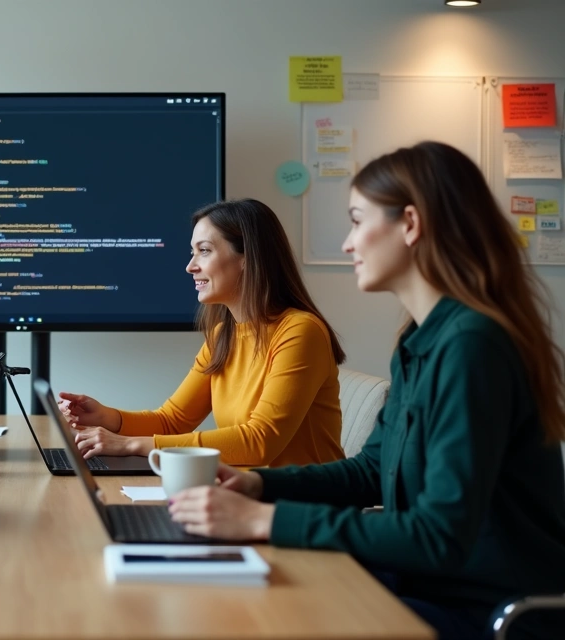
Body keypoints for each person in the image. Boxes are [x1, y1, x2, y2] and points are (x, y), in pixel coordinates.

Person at [168, 142, 565, 640]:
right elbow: (372, 471)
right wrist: (260, 486)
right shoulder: (423, 340)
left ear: (411, 225)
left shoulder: (473, 347)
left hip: (484, 607)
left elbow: (438, 535)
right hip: (430, 584)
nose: (348, 244)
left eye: (357, 221)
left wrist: (266, 521)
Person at [61, 199, 346, 467]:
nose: (190, 266)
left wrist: (131, 445)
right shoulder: (225, 335)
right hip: (246, 495)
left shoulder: (299, 331)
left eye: (205, 251)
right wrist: (105, 416)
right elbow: (172, 421)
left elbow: (261, 441)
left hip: (305, 507)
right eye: (192, 252)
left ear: (248, 257)